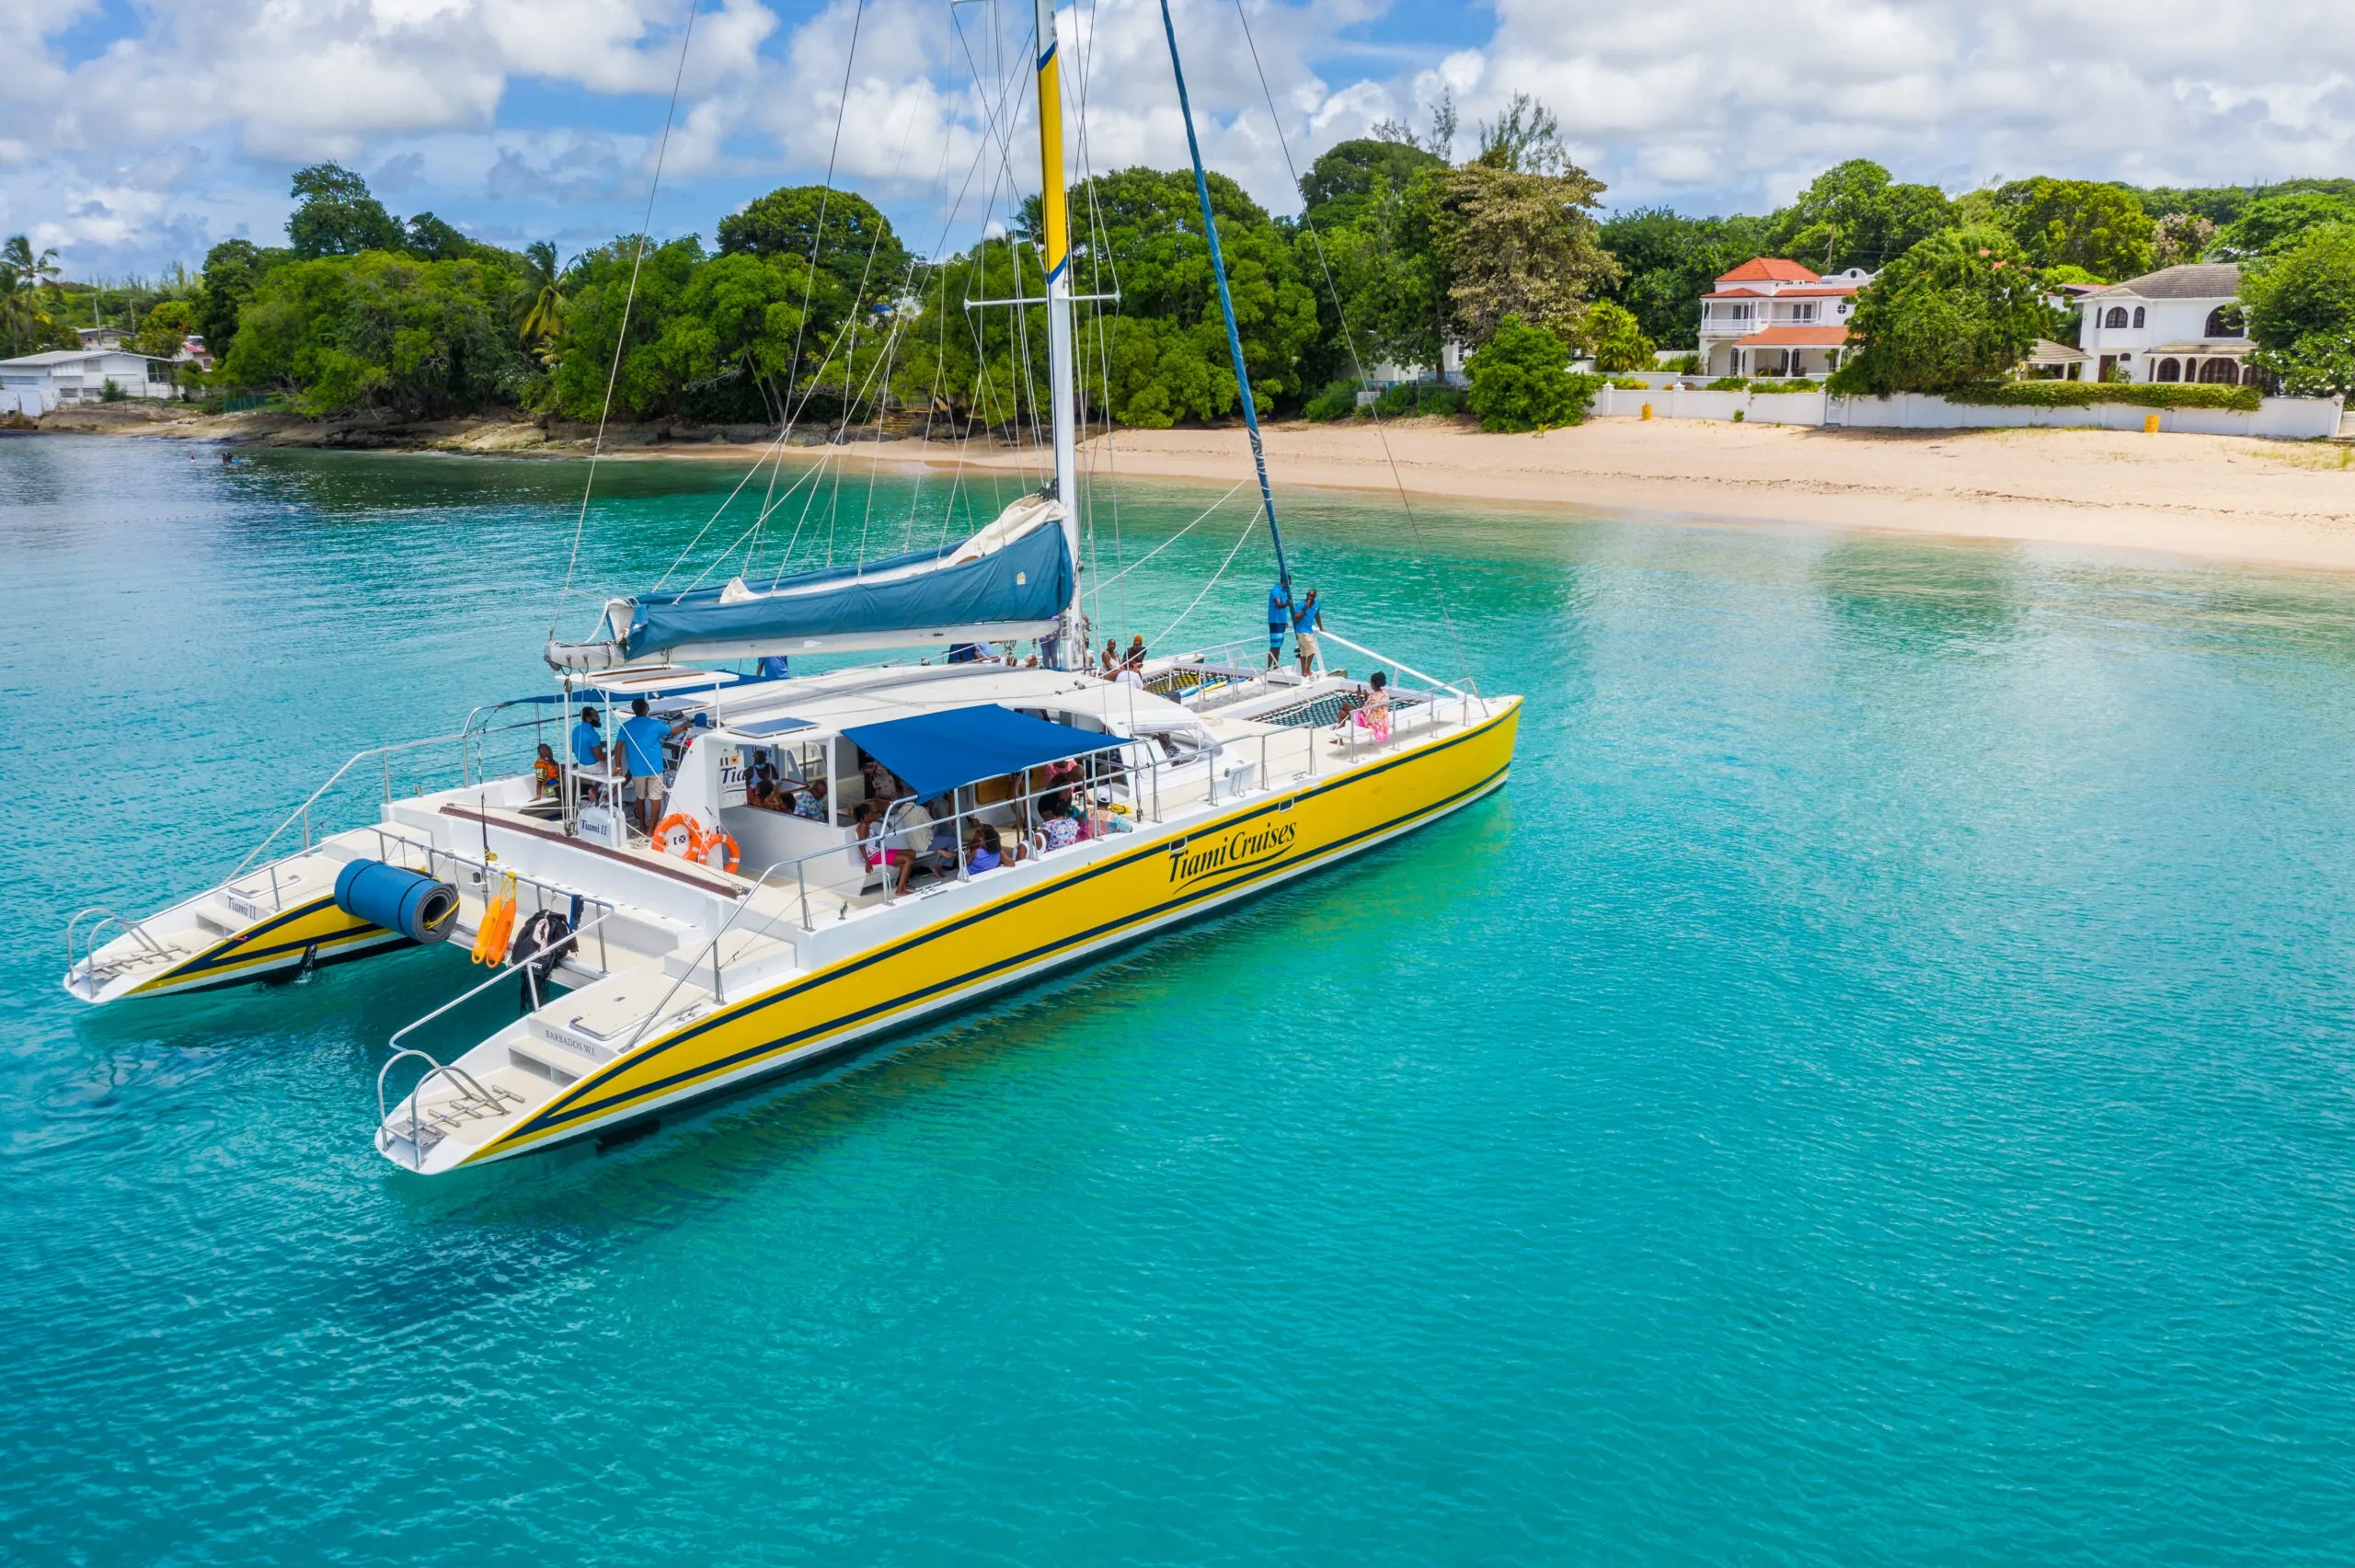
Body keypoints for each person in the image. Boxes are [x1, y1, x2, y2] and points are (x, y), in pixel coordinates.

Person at [617, 696, 672, 832]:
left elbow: (618, 748)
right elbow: (672, 732)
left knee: (640, 798)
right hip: (655, 769)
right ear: (647, 709)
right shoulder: (656, 724)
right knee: (656, 799)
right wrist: (684, 726)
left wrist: (618, 766)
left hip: (637, 770)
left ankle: (642, 826)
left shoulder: (625, 726)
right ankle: (652, 830)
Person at [1292, 587, 1323, 679]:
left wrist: (1321, 627)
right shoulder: (1301, 604)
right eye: (1308, 595)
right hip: (1301, 631)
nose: (1309, 597)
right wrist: (1305, 608)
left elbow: (1317, 616)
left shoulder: (1317, 605)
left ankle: (1303, 672)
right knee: (1312, 649)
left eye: (1312, 596)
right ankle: (1307, 670)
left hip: (1309, 631)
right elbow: (1296, 617)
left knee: (1304, 651)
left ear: (1315, 597)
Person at [1266, 578, 1294, 670]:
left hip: (1281, 622)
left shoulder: (1282, 591)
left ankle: (1275, 665)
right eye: (1290, 583)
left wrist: (1284, 621)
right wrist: (1287, 604)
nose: (1290, 585)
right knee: (1274, 646)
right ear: (1285, 581)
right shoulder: (1276, 590)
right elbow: (1278, 604)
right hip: (1275, 622)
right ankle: (1269, 667)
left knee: (1278, 645)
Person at [570, 705, 606, 770]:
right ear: (588, 718)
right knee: (620, 760)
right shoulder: (593, 734)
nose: (599, 718)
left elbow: (573, 749)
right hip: (595, 768)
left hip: (581, 766)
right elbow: (600, 757)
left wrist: (599, 744)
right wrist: (614, 751)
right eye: (596, 716)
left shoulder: (576, 730)